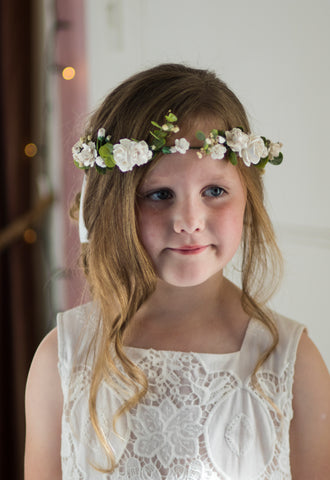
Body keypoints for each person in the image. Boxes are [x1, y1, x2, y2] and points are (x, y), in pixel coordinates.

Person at [24, 64, 330, 480]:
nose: (188, 220)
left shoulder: (293, 365)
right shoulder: (64, 359)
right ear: (116, 204)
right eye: (160, 194)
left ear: (248, 197)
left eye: (214, 191)